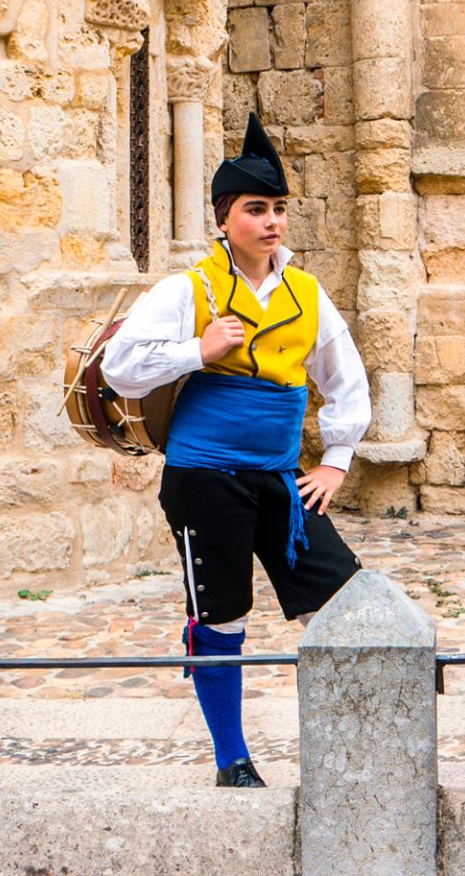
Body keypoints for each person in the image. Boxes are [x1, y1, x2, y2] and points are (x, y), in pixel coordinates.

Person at [102, 114, 368, 788]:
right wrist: (200, 350)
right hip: (204, 479)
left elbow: (345, 377)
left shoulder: (307, 292)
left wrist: (336, 459)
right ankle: (232, 759)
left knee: (347, 602)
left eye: (279, 208)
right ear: (226, 218)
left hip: (281, 478)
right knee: (222, 618)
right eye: (257, 209)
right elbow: (119, 367)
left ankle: (359, 753)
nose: (272, 221)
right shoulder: (188, 290)